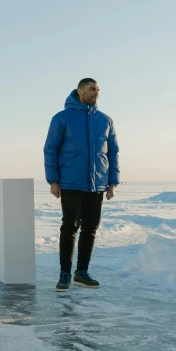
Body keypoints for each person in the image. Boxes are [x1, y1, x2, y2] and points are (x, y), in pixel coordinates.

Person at [43, 79, 120, 292]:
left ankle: (81, 272)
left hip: (97, 184)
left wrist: (112, 181)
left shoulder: (105, 120)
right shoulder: (61, 118)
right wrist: (53, 181)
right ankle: (65, 274)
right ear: (80, 91)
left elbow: (112, 152)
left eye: (98, 90)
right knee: (69, 227)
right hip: (70, 182)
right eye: (92, 89)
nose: (96, 93)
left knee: (91, 228)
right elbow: (50, 149)